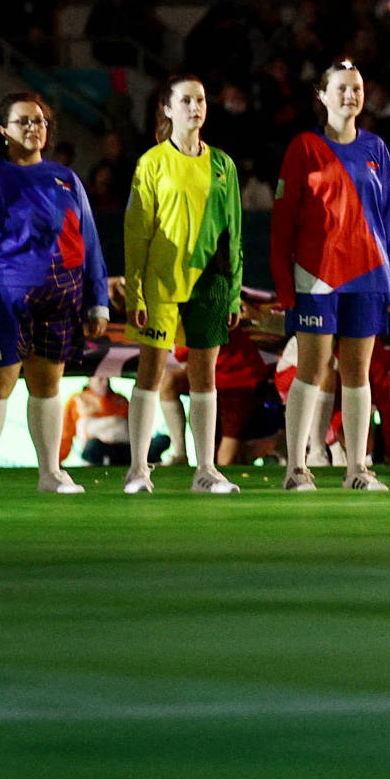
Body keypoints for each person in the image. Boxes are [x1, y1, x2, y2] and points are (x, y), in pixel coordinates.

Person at [0, 92, 110, 495]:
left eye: (39, 121)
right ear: (3, 130)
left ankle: (50, 473)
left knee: (48, 386)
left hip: (61, 300)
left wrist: (98, 298)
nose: (33, 128)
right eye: (23, 121)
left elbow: (88, 240)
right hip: (2, 300)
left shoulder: (66, 178)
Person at [270, 62, 390, 491]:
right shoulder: (303, 148)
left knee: (358, 373)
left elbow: (389, 220)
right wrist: (285, 285)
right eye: (342, 89)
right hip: (316, 278)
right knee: (313, 369)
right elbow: (283, 221)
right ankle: (296, 467)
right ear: (322, 96)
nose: (351, 95)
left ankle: (357, 470)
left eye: (357, 88)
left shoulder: (376, 148)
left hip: (366, 278)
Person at [122, 74, 246, 494]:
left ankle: (206, 470)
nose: (196, 107)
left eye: (201, 99)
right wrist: (136, 289)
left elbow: (235, 233)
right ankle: (138, 468)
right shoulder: (152, 162)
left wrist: (233, 292)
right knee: (151, 372)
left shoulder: (223, 165)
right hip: (159, 282)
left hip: (210, 282)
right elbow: (136, 231)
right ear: (167, 109)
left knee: (204, 376)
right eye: (186, 100)